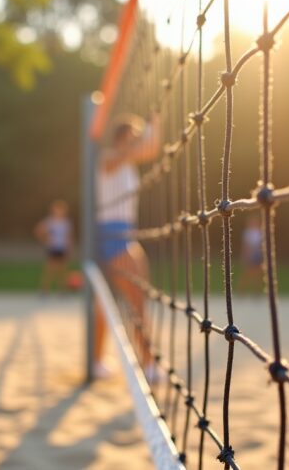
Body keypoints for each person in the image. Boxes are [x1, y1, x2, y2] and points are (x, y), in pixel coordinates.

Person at [94, 111, 161, 379]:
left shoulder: (126, 163)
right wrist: (144, 134)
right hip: (111, 233)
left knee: (114, 300)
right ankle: (148, 364)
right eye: (133, 137)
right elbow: (139, 150)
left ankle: (97, 361)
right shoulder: (107, 159)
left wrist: (154, 123)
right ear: (122, 138)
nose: (137, 143)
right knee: (134, 301)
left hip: (124, 233)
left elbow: (151, 149)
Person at [34, 200, 74, 297]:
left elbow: (69, 236)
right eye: (57, 210)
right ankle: (44, 290)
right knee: (49, 270)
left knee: (63, 270)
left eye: (61, 210)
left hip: (62, 248)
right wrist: (45, 240)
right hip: (52, 248)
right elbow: (38, 230)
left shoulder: (66, 222)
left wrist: (69, 247)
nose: (59, 212)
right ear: (53, 210)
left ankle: (62, 291)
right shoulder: (49, 221)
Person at [237, 215, 263, 296]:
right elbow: (245, 245)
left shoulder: (260, 232)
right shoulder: (247, 232)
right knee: (246, 273)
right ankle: (241, 291)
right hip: (249, 254)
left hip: (257, 254)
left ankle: (256, 292)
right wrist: (244, 255)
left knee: (258, 274)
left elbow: (261, 245)